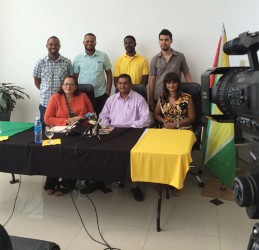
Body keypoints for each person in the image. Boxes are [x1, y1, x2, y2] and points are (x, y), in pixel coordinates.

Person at [99, 74, 151, 201]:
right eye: (120, 83)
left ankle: (134, 185)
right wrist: (107, 126)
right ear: (117, 85)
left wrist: (130, 126)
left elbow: (146, 119)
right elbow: (103, 116)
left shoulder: (139, 99)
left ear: (130, 84)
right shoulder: (111, 99)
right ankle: (103, 179)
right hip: (112, 131)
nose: (122, 85)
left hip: (132, 133)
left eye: (125, 83)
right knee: (101, 151)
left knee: (130, 156)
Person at [44, 76, 94, 196]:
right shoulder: (55, 97)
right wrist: (66, 121)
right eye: (66, 84)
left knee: (74, 153)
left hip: (80, 131)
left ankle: (68, 183)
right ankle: (51, 181)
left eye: (71, 84)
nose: (68, 86)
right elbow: (47, 119)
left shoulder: (83, 96)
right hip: (60, 131)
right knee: (55, 153)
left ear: (76, 86)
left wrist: (81, 117)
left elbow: (91, 114)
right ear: (62, 86)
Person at [149, 29, 193, 111]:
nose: (163, 42)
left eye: (166, 40)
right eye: (161, 40)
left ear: (171, 41)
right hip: (159, 96)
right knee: (159, 120)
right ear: (159, 41)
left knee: (176, 120)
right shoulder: (154, 59)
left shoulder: (180, 56)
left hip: (176, 96)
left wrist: (192, 89)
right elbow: (152, 79)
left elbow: (186, 73)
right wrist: (150, 98)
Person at [33, 36, 73, 124]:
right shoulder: (40, 63)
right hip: (45, 103)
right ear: (46, 46)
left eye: (56, 45)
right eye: (51, 44)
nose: (53, 47)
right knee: (45, 130)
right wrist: (45, 90)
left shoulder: (67, 62)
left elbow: (70, 82)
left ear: (60, 46)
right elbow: (37, 82)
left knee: (63, 129)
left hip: (63, 103)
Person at [73, 33, 112, 116]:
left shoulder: (103, 56)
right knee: (86, 120)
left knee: (102, 120)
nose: (89, 43)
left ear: (95, 43)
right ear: (83, 42)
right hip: (84, 95)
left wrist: (108, 91)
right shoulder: (77, 58)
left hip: (101, 94)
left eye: (92, 41)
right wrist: (76, 93)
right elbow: (75, 78)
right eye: (87, 41)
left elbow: (109, 74)